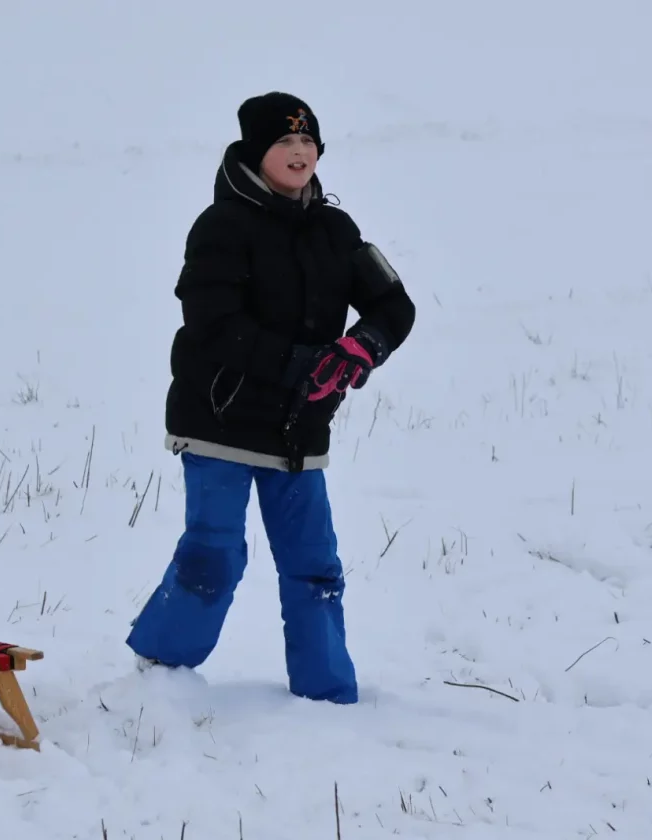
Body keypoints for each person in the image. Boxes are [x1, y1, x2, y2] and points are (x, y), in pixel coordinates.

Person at [126, 92, 416, 704]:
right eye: (285, 142)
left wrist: (359, 348)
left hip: (297, 430)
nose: (299, 152)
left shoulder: (336, 230)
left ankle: (328, 695)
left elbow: (395, 305)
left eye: (308, 142)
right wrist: (304, 364)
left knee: (316, 568)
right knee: (215, 556)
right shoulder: (221, 226)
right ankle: (161, 673)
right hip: (219, 421)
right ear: (258, 154)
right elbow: (213, 319)